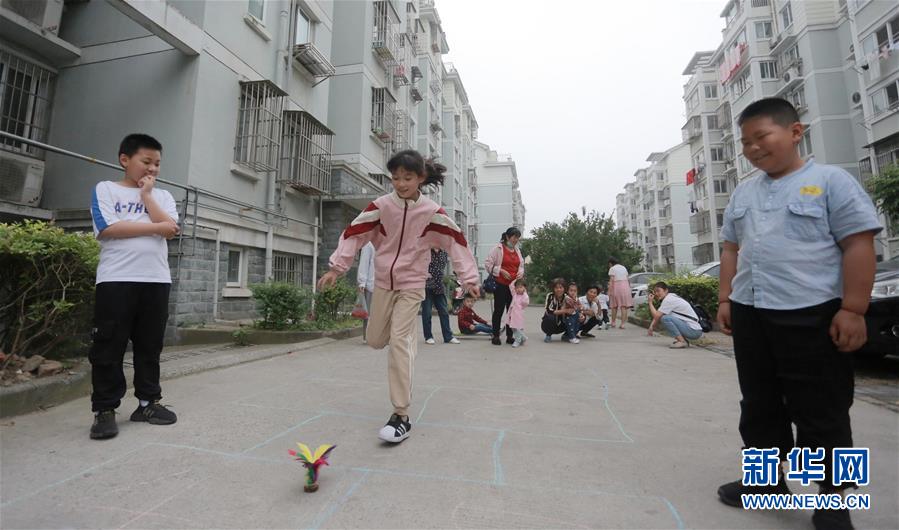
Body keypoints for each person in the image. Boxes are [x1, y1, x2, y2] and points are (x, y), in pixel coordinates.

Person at [715, 98, 881, 530]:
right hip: (752, 312)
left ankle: (833, 502)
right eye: (745, 141)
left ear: (794, 132)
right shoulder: (744, 191)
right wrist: (726, 299)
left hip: (813, 313)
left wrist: (853, 309)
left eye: (761, 136)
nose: (752, 148)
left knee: (823, 408)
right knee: (759, 404)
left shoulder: (831, 182)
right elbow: (731, 248)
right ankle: (766, 484)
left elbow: (858, 243)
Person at [318, 150, 480, 444]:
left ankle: (400, 415)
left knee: (398, 344)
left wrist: (468, 279)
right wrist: (336, 268)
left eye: (407, 178)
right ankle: (403, 342)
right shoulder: (381, 206)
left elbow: (456, 242)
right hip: (383, 283)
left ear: (420, 178)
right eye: (395, 178)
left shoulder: (432, 213)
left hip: (412, 284)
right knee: (376, 339)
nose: (401, 183)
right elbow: (354, 232)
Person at [87, 133, 180, 440]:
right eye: (146, 162)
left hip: (155, 280)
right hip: (116, 280)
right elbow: (109, 228)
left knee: (150, 346)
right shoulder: (106, 189)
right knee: (108, 346)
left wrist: (148, 197)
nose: (152, 169)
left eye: (157, 164)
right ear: (125, 159)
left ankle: (148, 403)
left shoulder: (163, 196)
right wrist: (156, 227)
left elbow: (171, 231)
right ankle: (104, 410)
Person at [484, 227, 525, 346]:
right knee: (499, 310)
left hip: (513, 287)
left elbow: (521, 265)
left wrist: (520, 273)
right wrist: (501, 271)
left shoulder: (517, 250)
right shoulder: (497, 249)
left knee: (512, 311)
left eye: (518, 237)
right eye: (514, 237)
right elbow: (488, 264)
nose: (516, 239)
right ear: (507, 237)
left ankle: (510, 336)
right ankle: (495, 336)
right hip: (501, 284)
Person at [646, 281, 703, 348]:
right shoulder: (671, 297)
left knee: (665, 318)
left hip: (694, 331)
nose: (656, 294)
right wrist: (651, 326)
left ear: (666, 290)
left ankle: (682, 341)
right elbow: (658, 315)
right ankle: (683, 340)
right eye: (655, 292)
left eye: (658, 291)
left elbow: (657, 316)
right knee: (664, 317)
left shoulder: (668, 300)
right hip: (693, 329)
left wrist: (650, 302)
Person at [421, 249, 459, 345]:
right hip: (427, 286)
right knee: (427, 312)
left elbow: (442, 268)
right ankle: (428, 336)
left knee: (444, 311)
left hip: (439, 286)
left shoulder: (444, 252)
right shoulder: (426, 251)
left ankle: (448, 336)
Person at [541, 278, 580, 344]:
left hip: (562, 323)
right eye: (556, 288)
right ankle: (548, 335)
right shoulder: (550, 296)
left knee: (576, 316)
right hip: (549, 324)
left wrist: (580, 314)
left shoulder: (567, 297)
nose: (559, 289)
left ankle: (568, 336)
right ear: (553, 288)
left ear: (564, 288)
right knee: (551, 317)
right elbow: (549, 310)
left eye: (561, 287)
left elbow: (575, 307)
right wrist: (565, 311)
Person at [607, 258, 633, 329]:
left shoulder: (612, 268)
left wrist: (609, 291)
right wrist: (629, 288)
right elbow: (628, 279)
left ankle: (613, 322)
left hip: (617, 287)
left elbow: (611, 280)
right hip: (625, 286)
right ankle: (622, 324)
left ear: (610, 263)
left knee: (614, 306)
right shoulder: (623, 267)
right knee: (623, 306)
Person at [357, 242, 375, 342]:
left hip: (386, 284)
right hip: (371, 283)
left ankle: (381, 336)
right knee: (368, 312)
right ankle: (367, 336)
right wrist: (362, 282)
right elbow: (364, 262)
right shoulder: (369, 244)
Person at [505, 279, 530, 347]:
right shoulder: (514, 294)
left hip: (518, 314)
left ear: (524, 288)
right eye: (517, 287)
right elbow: (511, 286)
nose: (519, 289)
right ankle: (522, 338)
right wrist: (515, 279)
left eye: (521, 287)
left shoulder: (524, 296)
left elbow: (526, 303)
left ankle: (518, 340)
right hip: (512, 314)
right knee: (513, 328)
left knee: (518, 328)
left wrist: (524, 293)